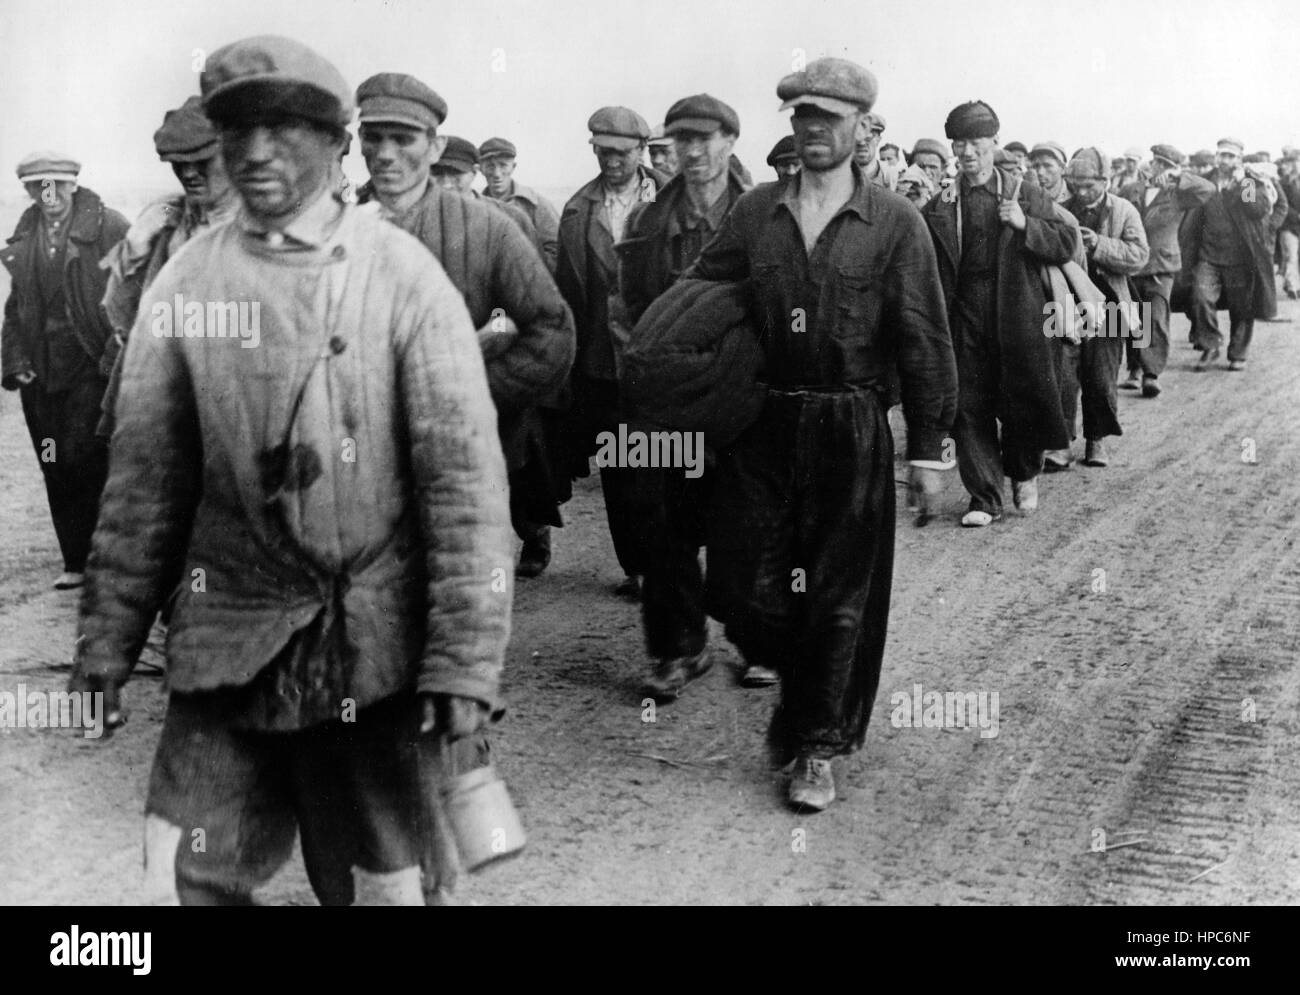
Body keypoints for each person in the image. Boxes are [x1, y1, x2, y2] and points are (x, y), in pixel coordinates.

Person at [68, 36, 513, 906]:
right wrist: (105, 644)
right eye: (237, 131)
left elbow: (465, 493)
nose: (255, 153)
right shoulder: (186, 286)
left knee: (387, 883)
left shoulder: (404, 280)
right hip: (227, 636)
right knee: (186, 870)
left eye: (283, 130)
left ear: (333, 142)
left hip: (374, 647)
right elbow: (143, 489)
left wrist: (464, 665)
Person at [683, 58, 957, 811]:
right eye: (801, 118)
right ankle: (799, 680)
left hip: (850, 423)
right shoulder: (755, 213)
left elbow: (926, 340)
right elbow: (700, 298)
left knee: (840, 600)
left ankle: (815, 746)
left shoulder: (895, 223)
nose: (810, 131)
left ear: (863, 129)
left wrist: (930, 452)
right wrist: (676, 381)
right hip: (763, 421)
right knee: (743, 585)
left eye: (827, 120)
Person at [354, 76, 574, 582]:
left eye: (402, 139)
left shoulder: (489, 229)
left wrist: (469, 389)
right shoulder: (337, 233)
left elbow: (552, 331)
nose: (385, 154)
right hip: (364, 462)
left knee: (460, 604)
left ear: (433, 147)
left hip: (465, 455)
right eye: (373, 137)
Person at [611, 93, 752, 698]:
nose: (693, 152)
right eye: (682, 140)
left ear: (730, 142)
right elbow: (630, 308)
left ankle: (754, 640)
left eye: (706, 139)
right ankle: (677, 649)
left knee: (748, 517)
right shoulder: (647, 224)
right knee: (658, 519)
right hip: (666, 398)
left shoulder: (765, 214)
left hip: (744, 393)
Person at [920, 101, 1076, 526]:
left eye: (976, 142)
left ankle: (1024, 473)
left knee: (1021, 395)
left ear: (994, 141)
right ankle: (984, 497)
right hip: (964, 310)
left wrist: (1028, 225)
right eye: (959, 143)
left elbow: (1067, 242)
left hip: (1019, 309)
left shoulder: (1023, 192)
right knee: (968, 403)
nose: (968, 152)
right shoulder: (942, 203)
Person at [555, 106, 669, 599]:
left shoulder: (672, 199)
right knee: (620, 467)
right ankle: (639, 566)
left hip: (665, 358)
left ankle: (672, 559)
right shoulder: (579, 211)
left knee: (669, 463)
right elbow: (567, 294)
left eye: (622, 152)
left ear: (641, 151)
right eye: (604, 152)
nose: (613, 161)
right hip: (605, 364)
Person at [1, 151, 128, 589]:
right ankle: (75, 561)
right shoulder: (26, 235)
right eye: (39, 187)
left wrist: (117, 348)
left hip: (92, 367)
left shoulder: (109, 227)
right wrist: (15, 361)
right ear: (30, 192)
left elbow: (138, 290)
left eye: (56, 184)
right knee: (54, 461)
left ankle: (108, 560)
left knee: (86, 457)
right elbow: (15, 309)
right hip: (41, 376)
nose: (49, 194)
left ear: (74, 185)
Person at [98, 96, 238, 440]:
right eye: (178, 163)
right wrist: (135, 250)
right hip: (166, 398)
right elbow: (120, 315)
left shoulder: (262, 226)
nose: (188, 172)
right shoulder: (164, 223)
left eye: (202, 161)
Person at [1057, 148, 1149, 470]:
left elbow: (1139, 256)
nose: (1081, 193)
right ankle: (1061, 442)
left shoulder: (1124, 211)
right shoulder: (1059, 209)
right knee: (1062, 375)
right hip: (1064, 304)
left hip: (1110, 304)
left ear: (1105, 181)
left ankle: (1096, 438)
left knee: (1100, 376)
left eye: (1089, 186)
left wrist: (1099, 244)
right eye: (1075, 185)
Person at [1116, 144, 1215, 396]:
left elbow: (1209, 189)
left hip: (1162, 264)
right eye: (1157, 163)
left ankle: (1151, 374)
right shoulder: (1131, 190)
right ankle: (1135, 370)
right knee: (1133, 318)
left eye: (1166, 166)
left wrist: (1178, 177)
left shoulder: (1178, 194)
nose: (1158, 168)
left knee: (1156, 317)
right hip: (1131, 262)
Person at [1187, 138, 1283, 371]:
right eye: (1222, 155)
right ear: (1216, 156)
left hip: (1240, 257)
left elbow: (1255, 210)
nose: (1225, 160)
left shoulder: (1248, 181)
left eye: (1231, 156)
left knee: (1242, 307)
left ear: (1239, 159)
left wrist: (1243, 184)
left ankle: (1238, 352)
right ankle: (1210, 345)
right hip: (1209, 254)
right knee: (1200, 297)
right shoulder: (1206, 180)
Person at [479, 136, 561, 274]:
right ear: (481, 169)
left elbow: (557, 252)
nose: (497, 173)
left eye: (503, 165)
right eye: (490, 166)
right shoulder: (475, 207)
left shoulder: (536, 204)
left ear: (513, 167)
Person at [853, 111, 898, 189]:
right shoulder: (836, 175)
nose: (862, 143)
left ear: (878, 140)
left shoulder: (891, 176)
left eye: (868, 137)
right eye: (857, 137)